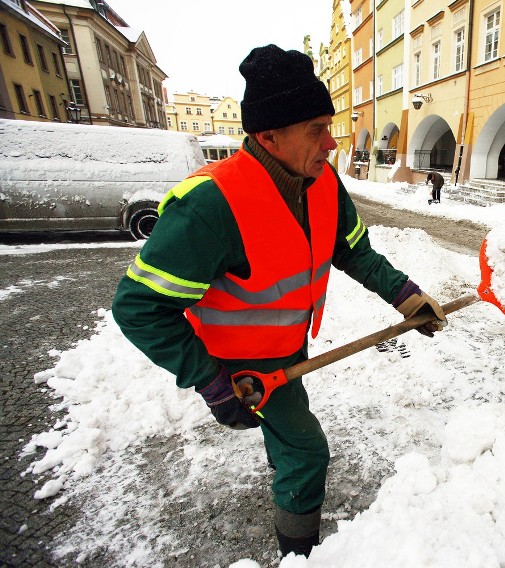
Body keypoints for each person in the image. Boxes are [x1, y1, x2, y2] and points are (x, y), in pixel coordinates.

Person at [111, 45, 446, 559]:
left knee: (291, 437)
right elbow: (138, 307)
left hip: (289, 350)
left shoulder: (323, 182)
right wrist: (209, 379)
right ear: (268, 135)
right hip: (240, 363)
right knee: (307, 452)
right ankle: (300, 553)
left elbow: (352, 249)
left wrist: (405, 296)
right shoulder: (210, 204)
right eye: (316, 129)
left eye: (329, 126)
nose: (331, 143)